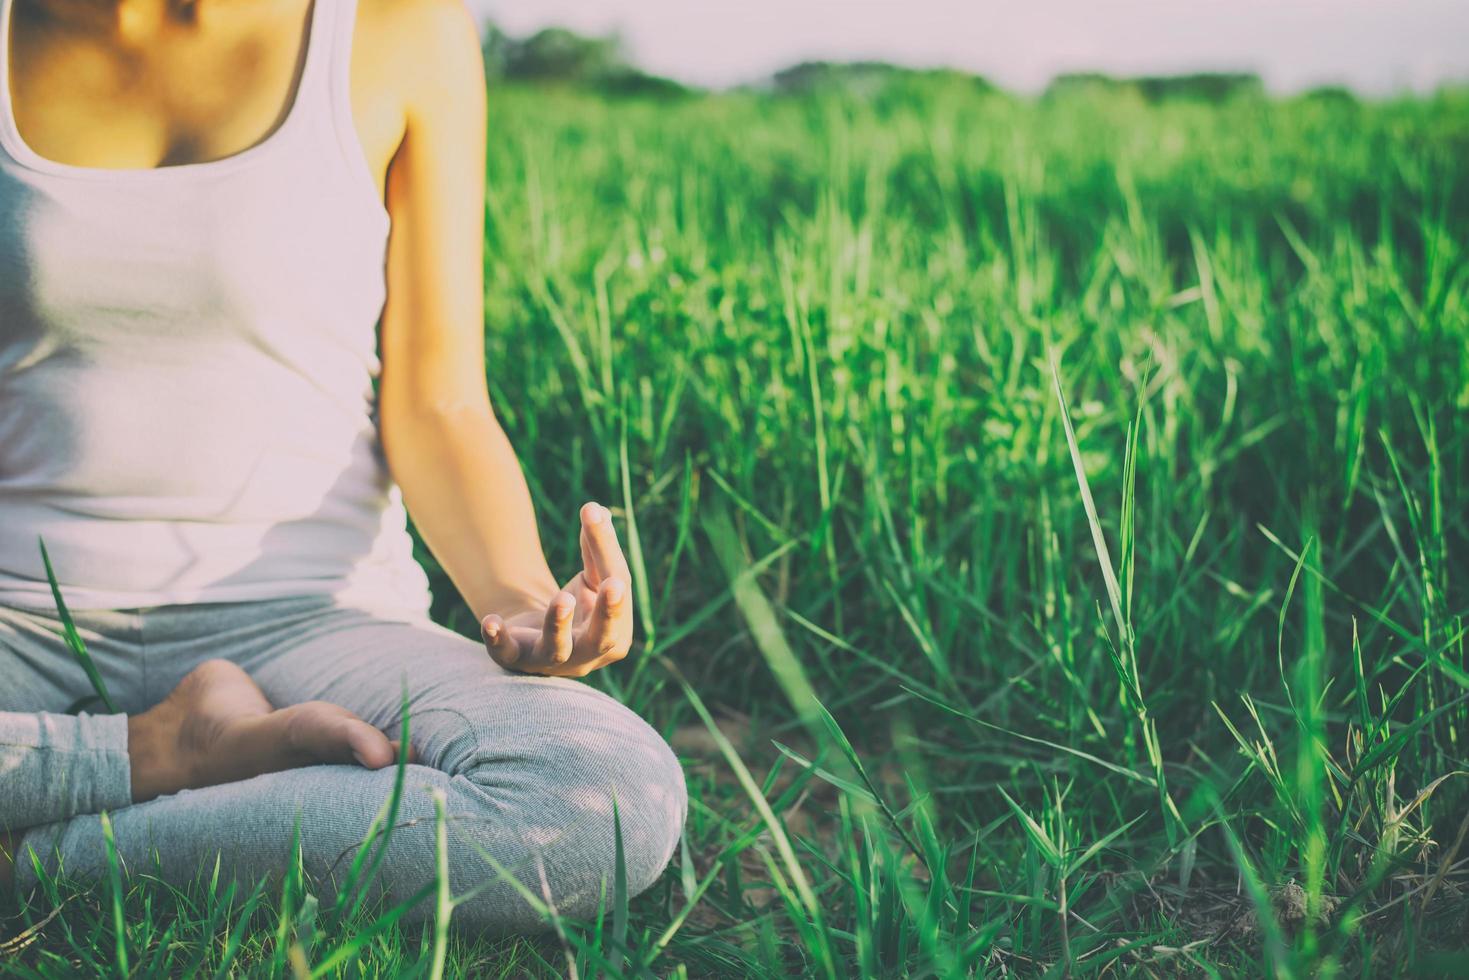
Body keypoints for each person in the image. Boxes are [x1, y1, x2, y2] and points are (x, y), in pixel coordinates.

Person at [0, 0, 686, 933]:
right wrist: (146, 756)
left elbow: (439, 400)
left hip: (313, 620)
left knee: (599, 802)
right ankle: (171, 759)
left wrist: (523, 598)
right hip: (17, 620)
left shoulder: (398, 27)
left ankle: (37, 861)